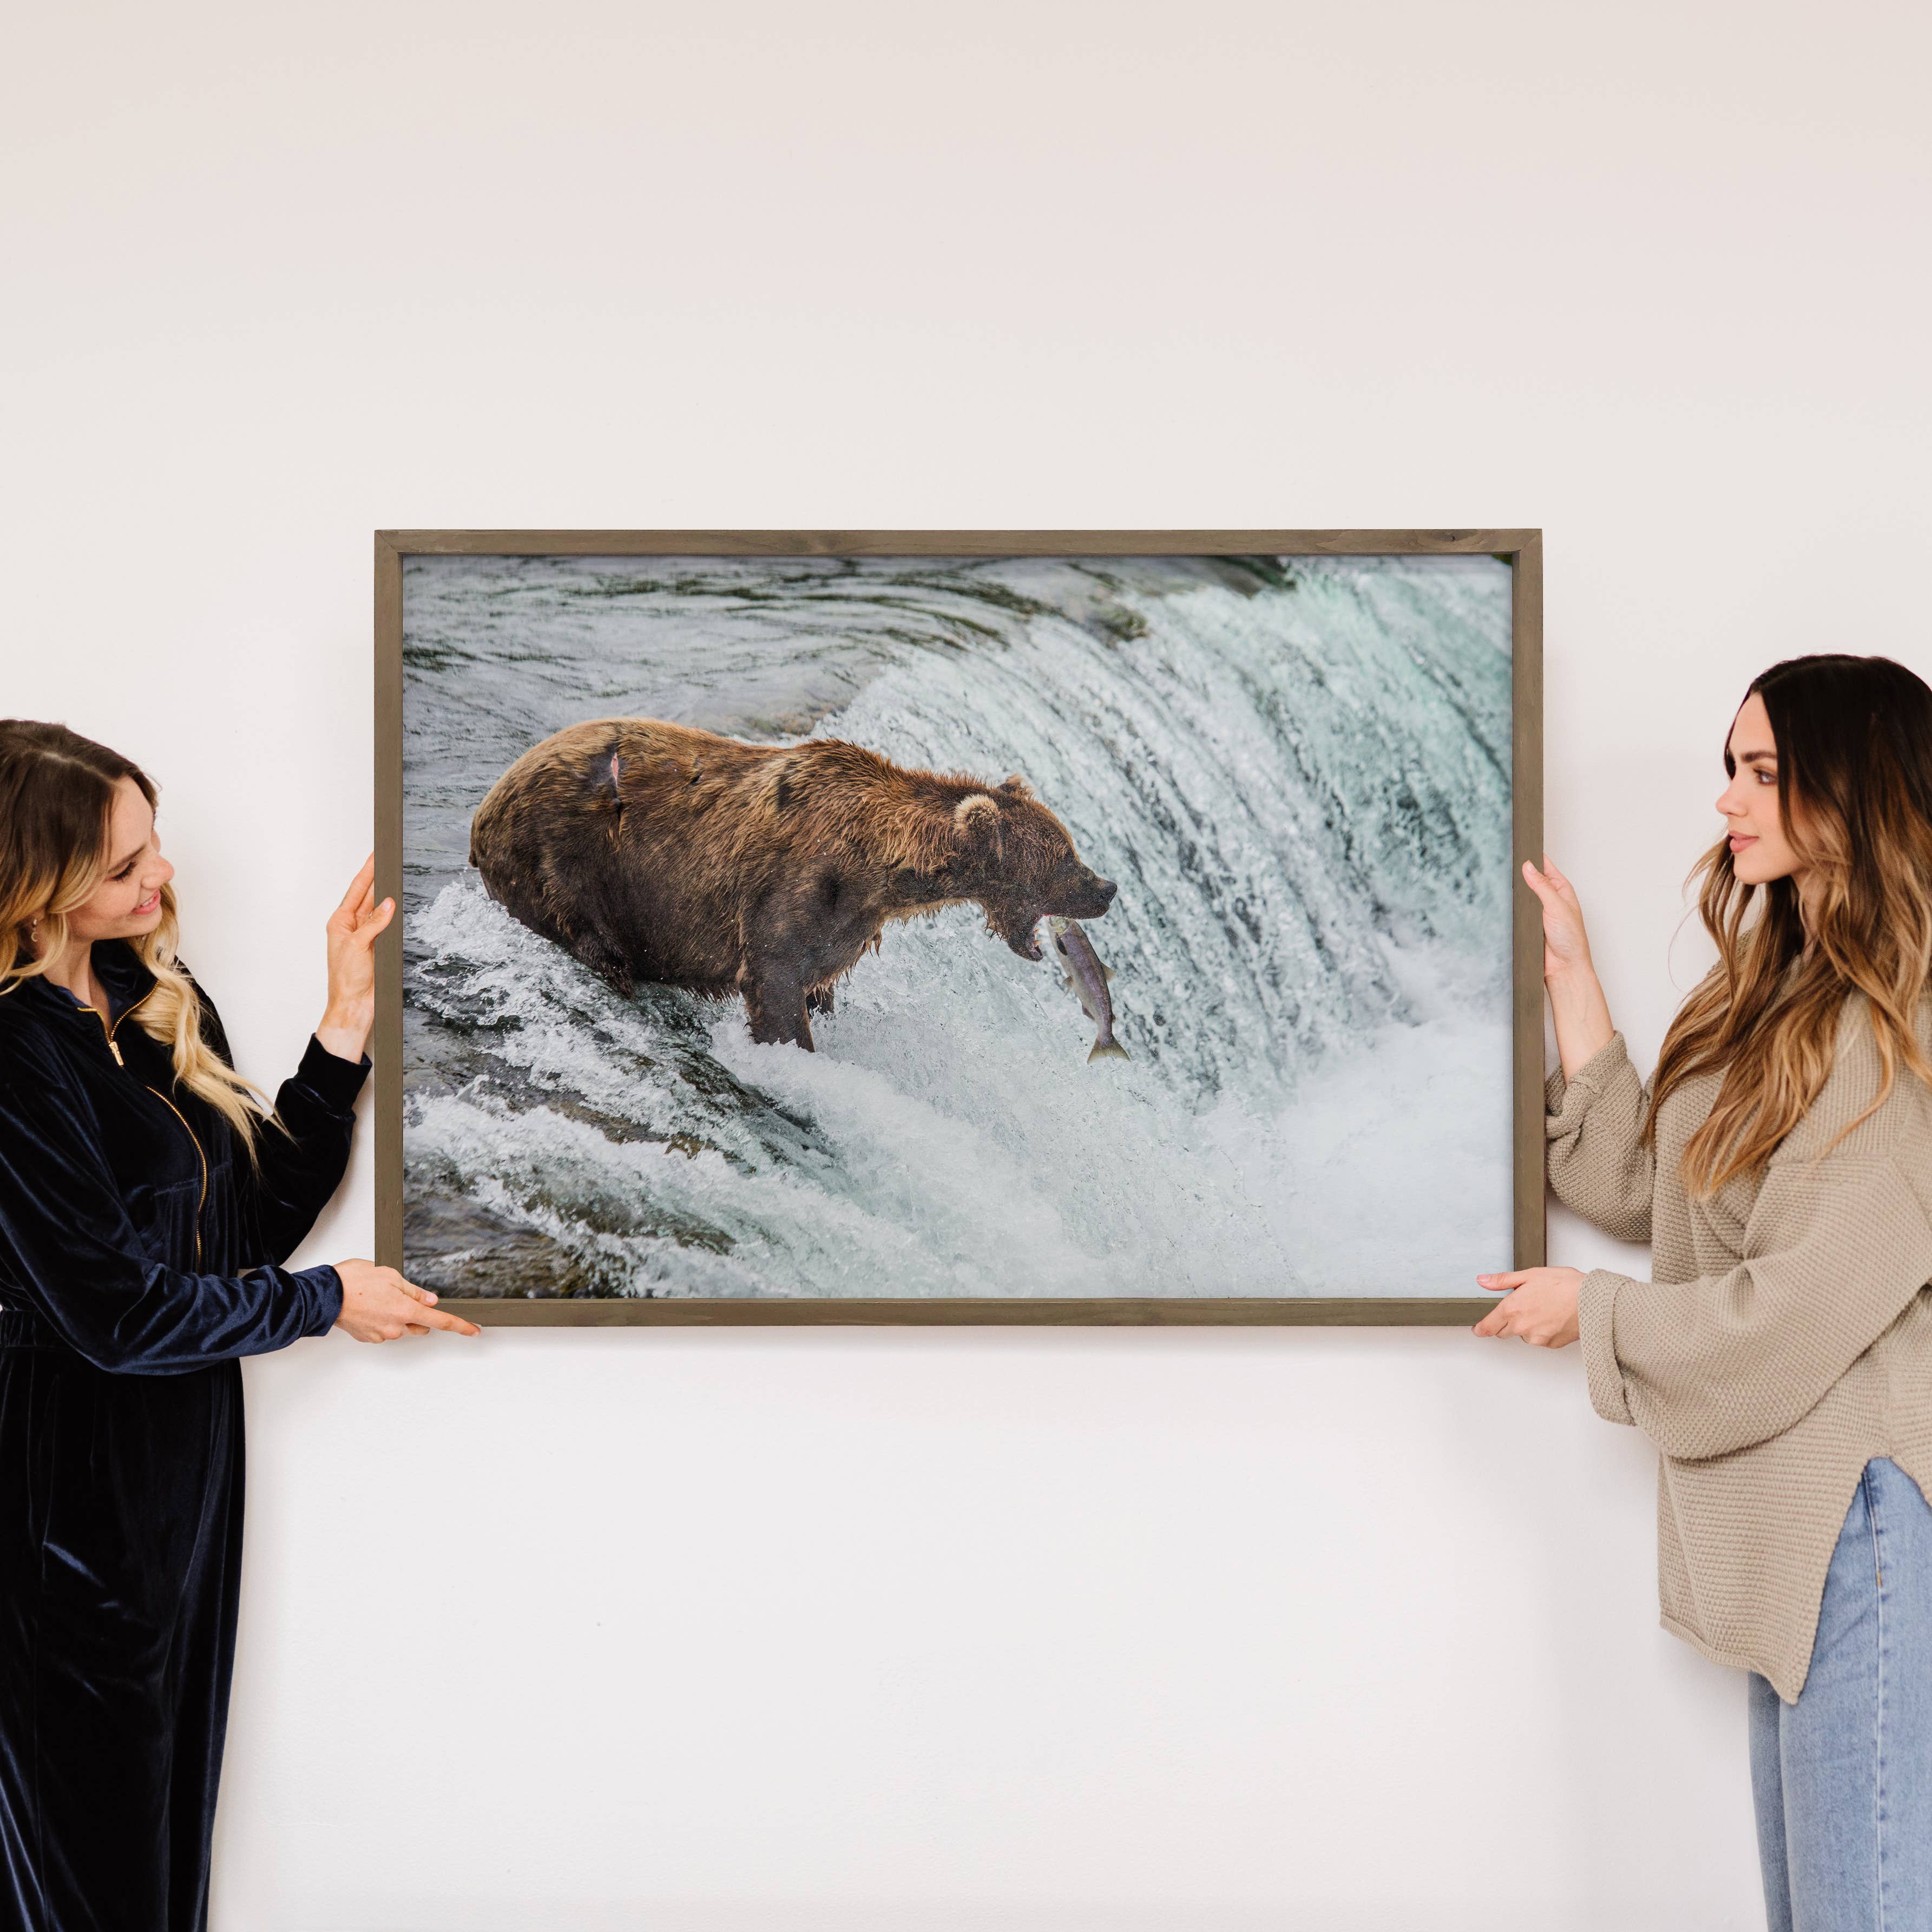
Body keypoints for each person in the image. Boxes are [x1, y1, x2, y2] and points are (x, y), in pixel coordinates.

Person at [1474, 655, 1932, 1929]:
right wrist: (1571, 974)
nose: (1731, 801)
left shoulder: (1906, 1029)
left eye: (1766, 773)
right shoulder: (1775, 992)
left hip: (1866, 1533)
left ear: (1858, 790)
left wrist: (1595, 1316)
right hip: (1799, 1537)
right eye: (1731, 769)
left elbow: (1797, 1311)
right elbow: (1650, 1187)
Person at [0, 720, 479, 1932]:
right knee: (86, 1875)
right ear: (33, 883)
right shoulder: (11, 1055)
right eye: (124, 867)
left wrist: (346, 1022)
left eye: (154, 845)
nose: (161, 879)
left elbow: (245, 1225)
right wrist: (327, 1303)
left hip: (180, 1482)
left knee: (160, 1854)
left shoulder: (148, 994)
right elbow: (113, 1315)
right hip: (54, 1500)